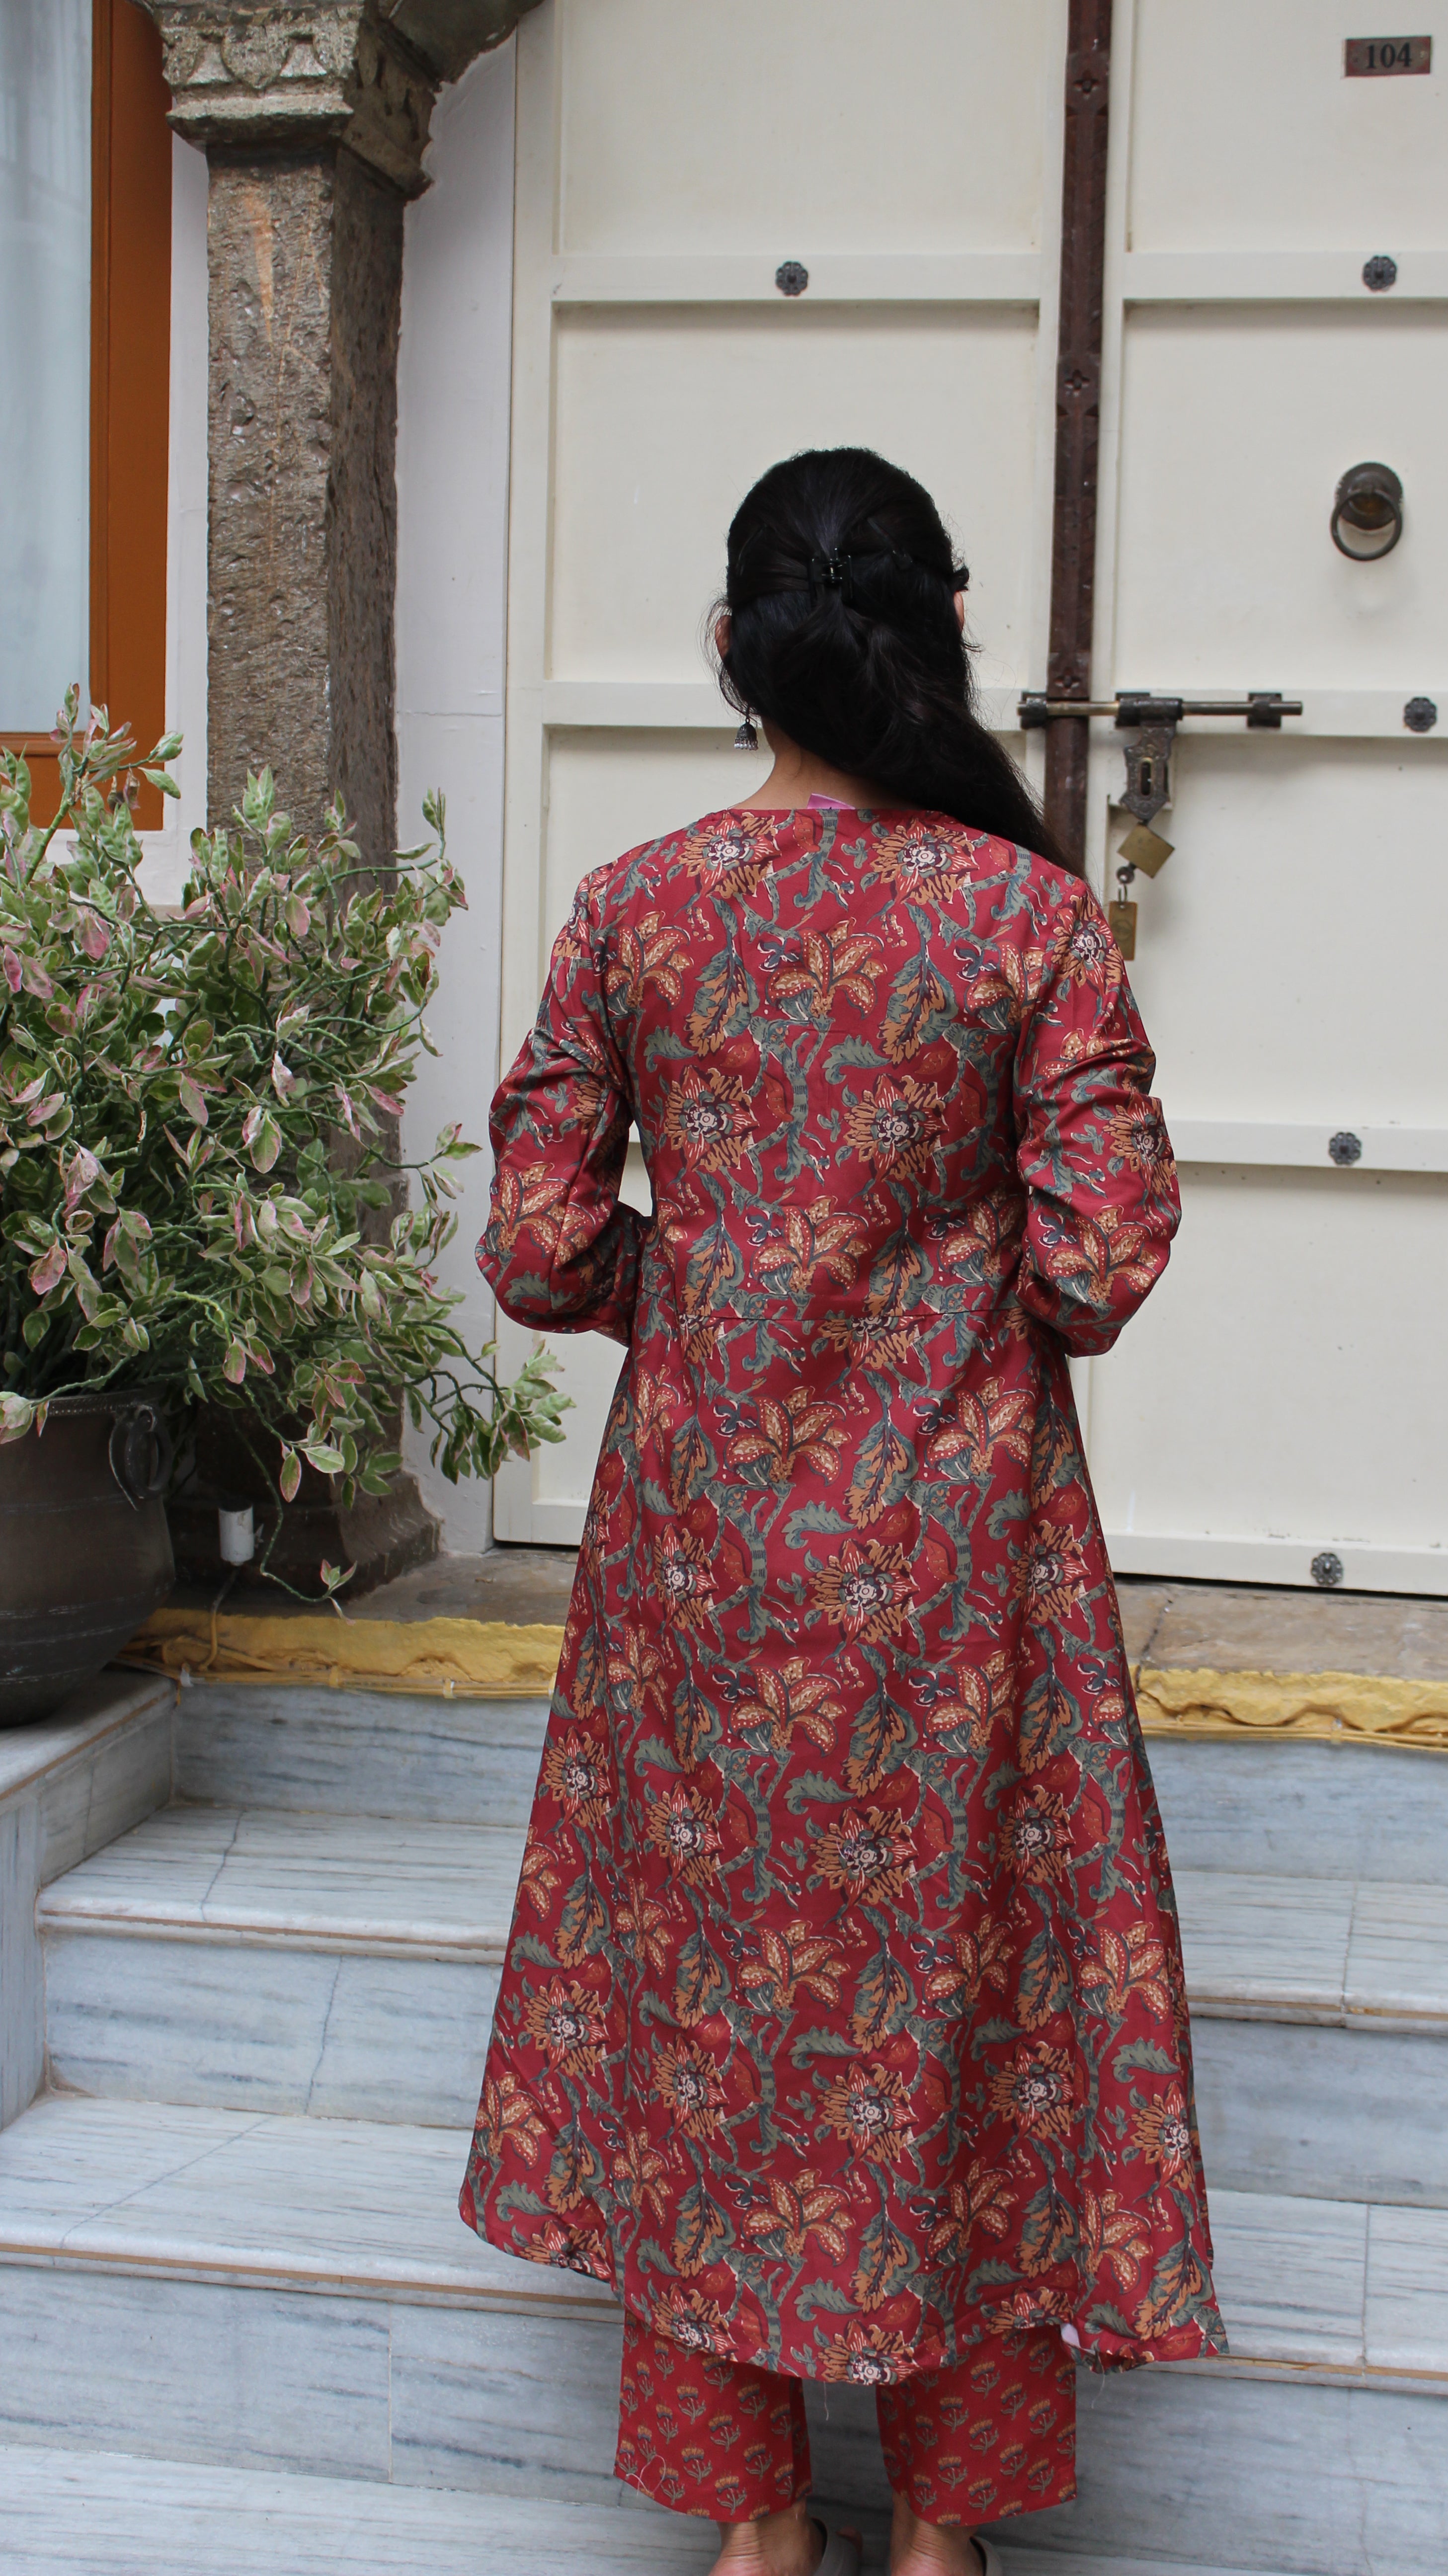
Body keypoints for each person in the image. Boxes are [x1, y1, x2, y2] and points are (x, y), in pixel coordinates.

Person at [460, 447, 1224, 2576]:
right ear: (942, 630)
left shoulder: (636, 908)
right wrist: (936, 1319)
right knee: (956, 2008)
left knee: (719, 2009)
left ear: (731, 647)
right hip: (959, 1565)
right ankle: (944, 2537)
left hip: (703, 1563)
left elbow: (536, 1245)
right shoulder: (1025, 918)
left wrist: (700, 1292)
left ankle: (756, 2527)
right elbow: (1100, 1258)